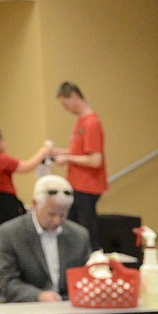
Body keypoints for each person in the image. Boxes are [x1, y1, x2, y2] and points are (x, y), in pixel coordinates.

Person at [0, 174, 124, 314]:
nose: (57, 220)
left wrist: (100, 274)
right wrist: (38, 296)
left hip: (69, 304)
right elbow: (8, 282)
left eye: (63, 215)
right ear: (35, 204)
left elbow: (85, 275)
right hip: (28, 307)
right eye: (52, 214)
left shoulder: (79, 234)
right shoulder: (9, 233)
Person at [53, 82, 108, 249]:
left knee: (87, 232)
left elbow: (95, 160)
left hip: (87, 185)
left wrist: (68, 158)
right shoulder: (81, 122)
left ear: (74, 97)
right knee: (73, 230)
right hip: (76, 185)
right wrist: (60, 152)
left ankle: (93, 263)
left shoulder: (91, 123)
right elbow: (79, 152)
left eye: (65, 104)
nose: (65, 108)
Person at [0, 128, 54, 243]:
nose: (6, 142)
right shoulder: (0, 159)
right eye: (3, 139)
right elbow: (27, 166)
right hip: (4, 202)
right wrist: (43, 152)